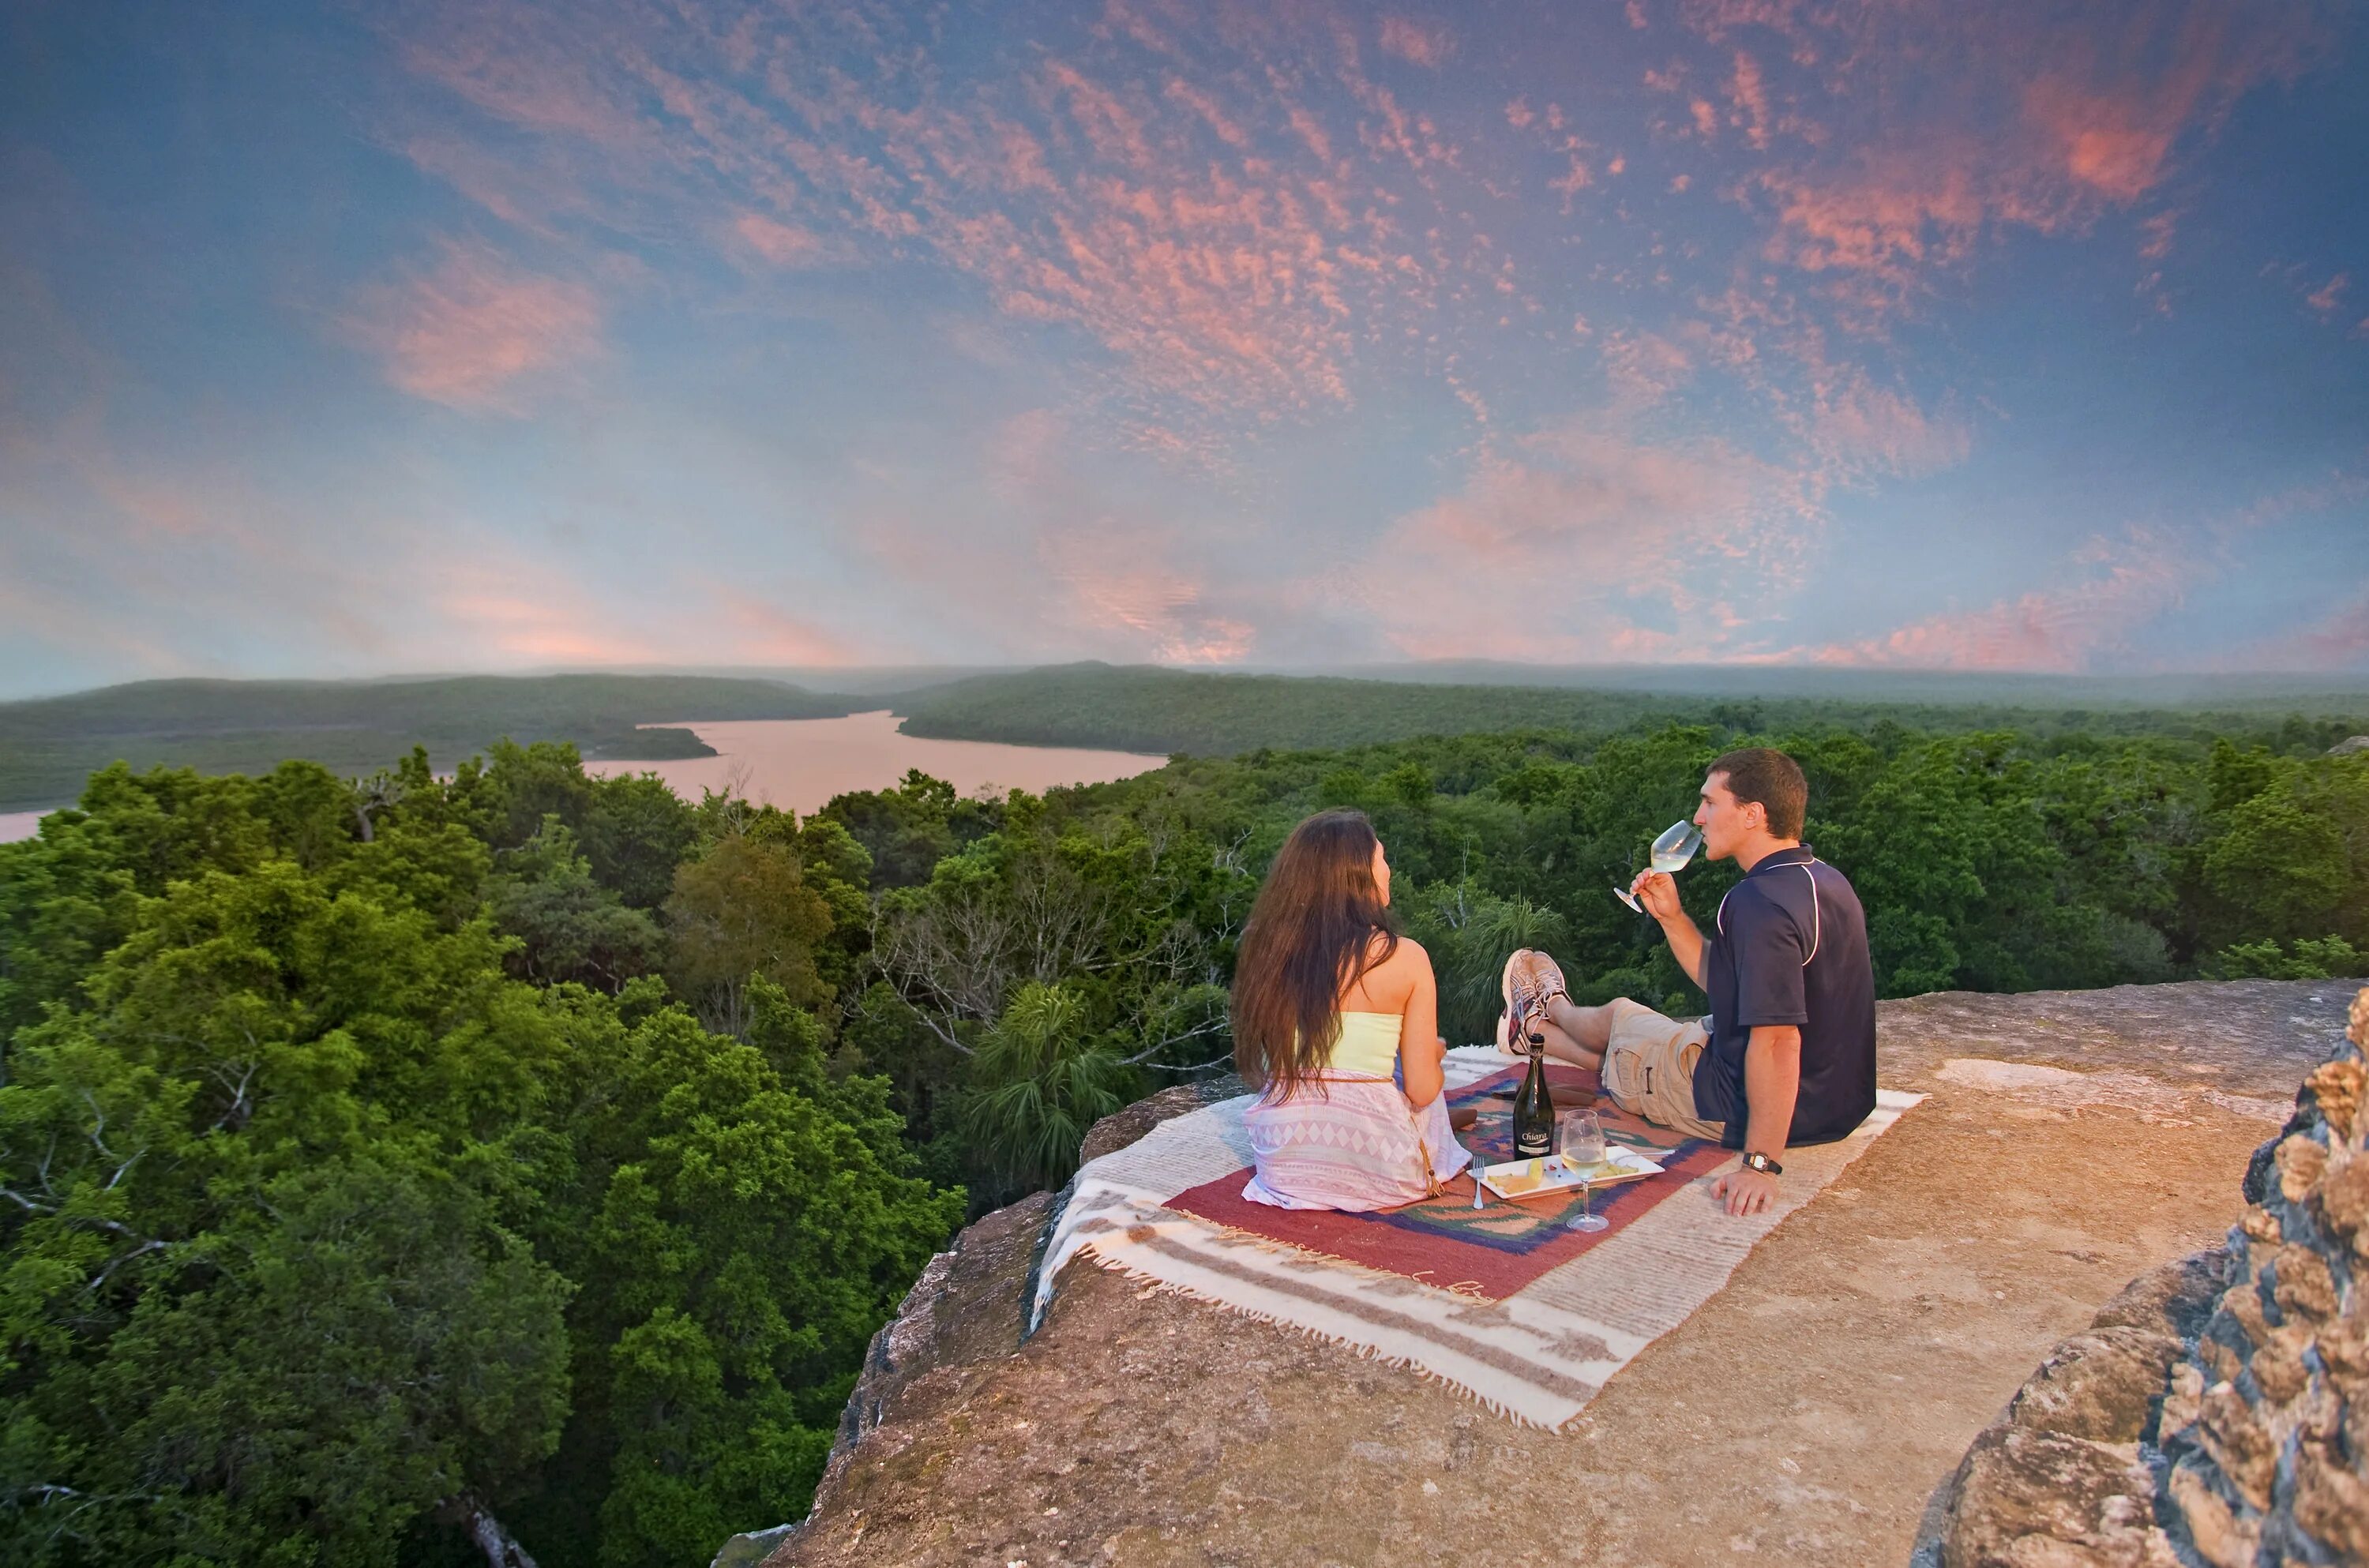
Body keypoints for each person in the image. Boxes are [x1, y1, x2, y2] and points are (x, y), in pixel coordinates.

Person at [1503, 748, 1877, 1217]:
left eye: (1710, 803)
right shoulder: (1824, 880)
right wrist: (1673, 918)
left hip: (1740, 1103)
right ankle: (1544, 1018)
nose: (1699, 817)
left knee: (1623, 1041)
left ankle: (1540, 1019)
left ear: (1752, 814)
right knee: (1625, 1016)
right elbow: (1726, 983)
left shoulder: (1757, 903)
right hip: (1837, 1101)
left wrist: (1760, 1165)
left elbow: (1779, 1041)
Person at [1230, 808, 1472, 1211]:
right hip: (1379, 1167)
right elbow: (1422, 1088)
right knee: (1417, 1071)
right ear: (1357, 876)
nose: (1389, 870)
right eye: (1382, 860)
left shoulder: (1268, 952)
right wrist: (1434, 1054)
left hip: (1285, 1167)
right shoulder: (1405, 957)